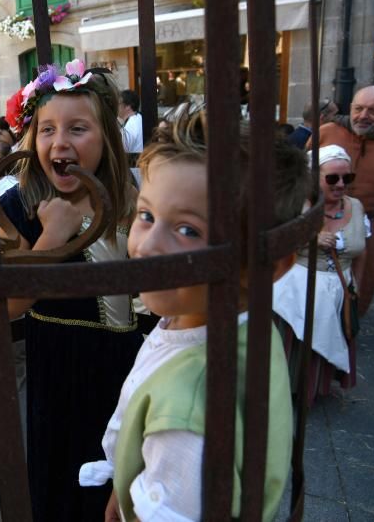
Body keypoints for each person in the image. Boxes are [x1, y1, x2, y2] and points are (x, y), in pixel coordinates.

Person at [99, 109, 307, 521]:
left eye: (188, 229)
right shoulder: (229, 323)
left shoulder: (187, 417)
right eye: (146, 216)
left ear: (268, 266)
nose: (147, 246)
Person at [0, 60, 142, 521]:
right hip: (58, 372)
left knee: (120, 485)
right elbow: (3, 306)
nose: (59, 142)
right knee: (63, 487)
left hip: (126, 370)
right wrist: (51, 238)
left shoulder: (134, 200)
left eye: (77, 129)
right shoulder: (19, 204)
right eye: (46, 130)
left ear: (106, 138)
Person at [273, 145, 369, 405]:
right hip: (298, 289)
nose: (340, 184)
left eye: (347, 178)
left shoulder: (357, 207)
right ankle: (285, 390)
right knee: (296, 343)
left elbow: (362, 251)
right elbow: (273, 247)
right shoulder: (296, 206)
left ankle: (315, 387)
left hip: (339, 287)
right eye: (332, 178)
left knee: (328, 339)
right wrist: (309, 236)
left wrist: (356, 283)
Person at [313, 86, 374, 315]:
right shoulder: (326, 132)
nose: (364, 115)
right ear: (351, 107)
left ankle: (349, 328)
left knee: (361, 285)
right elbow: (305, 171)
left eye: (373, 111)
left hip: (370, 223)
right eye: (359, 108)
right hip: (322, 220)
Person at [117, 89, 143, 186]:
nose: (117, 106)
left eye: (119, 103)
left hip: (134, 172)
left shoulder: (132, 123)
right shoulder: (137, 119)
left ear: (128, 106)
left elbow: (122, 148)